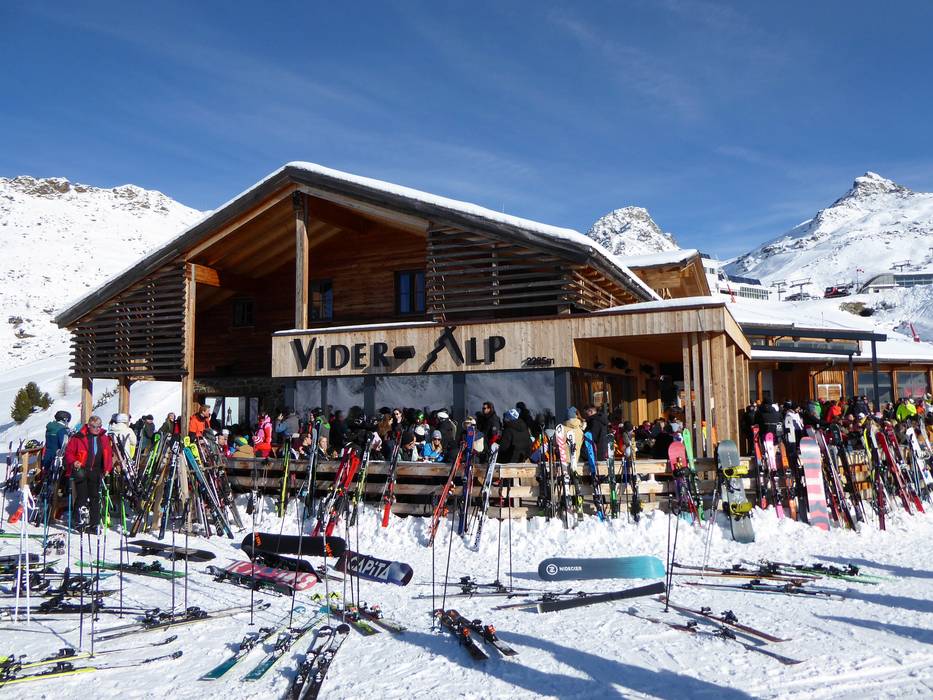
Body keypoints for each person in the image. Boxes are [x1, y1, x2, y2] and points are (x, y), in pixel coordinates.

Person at [63, 415, 113, 532]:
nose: (97, 429)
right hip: (82, 469)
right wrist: (74, 462)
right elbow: (69, 452)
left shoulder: (104, 438)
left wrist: (107, 468)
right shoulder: (79, 437)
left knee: (95, 497)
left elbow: (108, 454)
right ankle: (78, 521)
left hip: (96, 470)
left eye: (99, 426)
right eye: (94, 426)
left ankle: (94, 524)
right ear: (89, 426)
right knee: (82, 496)